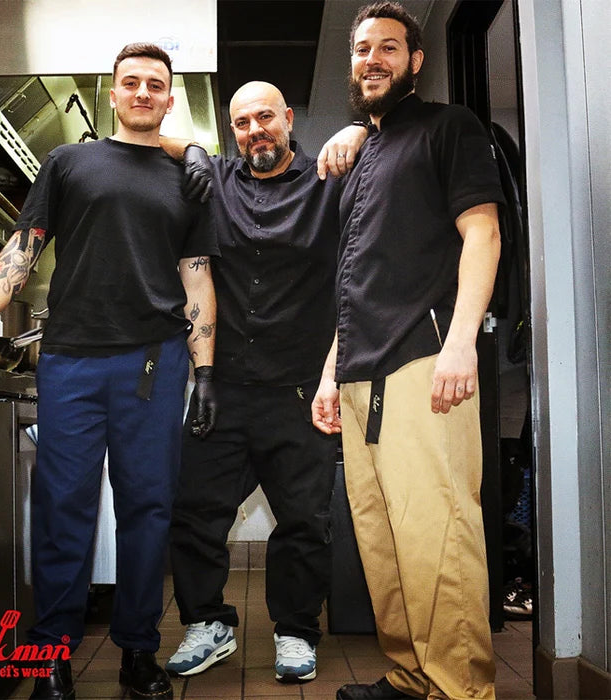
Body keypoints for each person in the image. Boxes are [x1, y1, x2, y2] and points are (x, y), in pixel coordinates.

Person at [0, 43, 218, 700]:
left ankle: (138, 650)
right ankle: (51, 654)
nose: (142, 92)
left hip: (154, 363)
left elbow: (196, 276)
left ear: (169, 98)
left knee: (148, 510)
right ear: (113, 92)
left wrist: (205, 372)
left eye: (155, 84)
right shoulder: (68, 162)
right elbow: (27, 243)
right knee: (62, 507)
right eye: (130, 82)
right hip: (72, 360)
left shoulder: (187, 181)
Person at [311, 3, 505, 699]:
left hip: (425, 363)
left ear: (415, 62)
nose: (373, 59)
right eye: (363, 48)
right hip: (362, 376)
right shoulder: (364, 154)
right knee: (385, 541)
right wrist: (331, 374)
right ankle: (413, 675)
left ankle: (461, 689)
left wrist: (461, 344)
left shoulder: (450, 127)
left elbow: (482, 233)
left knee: (439, 535)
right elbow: (355, 278)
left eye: (389, 47)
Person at [160, 81, 364, 684]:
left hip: (300, 392)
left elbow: (391, 138)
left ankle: (296, 631)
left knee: (304, 521)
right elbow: (148, 140)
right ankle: (208, 623)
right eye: (243, 122)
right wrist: (190, 150)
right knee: (195, 513)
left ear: (288, 118)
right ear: (233, 131)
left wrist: (359, 129)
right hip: (221, 388)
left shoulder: (328, 183)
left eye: (266, 117)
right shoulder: (216, 181)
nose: (256, 131)